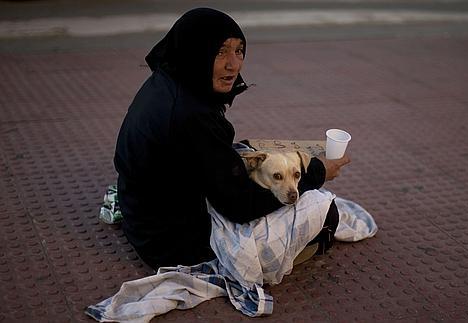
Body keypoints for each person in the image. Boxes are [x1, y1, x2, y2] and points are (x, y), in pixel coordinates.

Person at [113, 8, 350, 270]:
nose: (233, 64)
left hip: (143, 219)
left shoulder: (167, 81)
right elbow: (240, 206)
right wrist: (316, 171)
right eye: (219, 51)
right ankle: (276, 262)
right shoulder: (191, 114)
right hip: (173, 245)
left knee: (252, 155)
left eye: (239, 50)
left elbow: (205, 157)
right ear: (194, 51)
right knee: (327, 212)